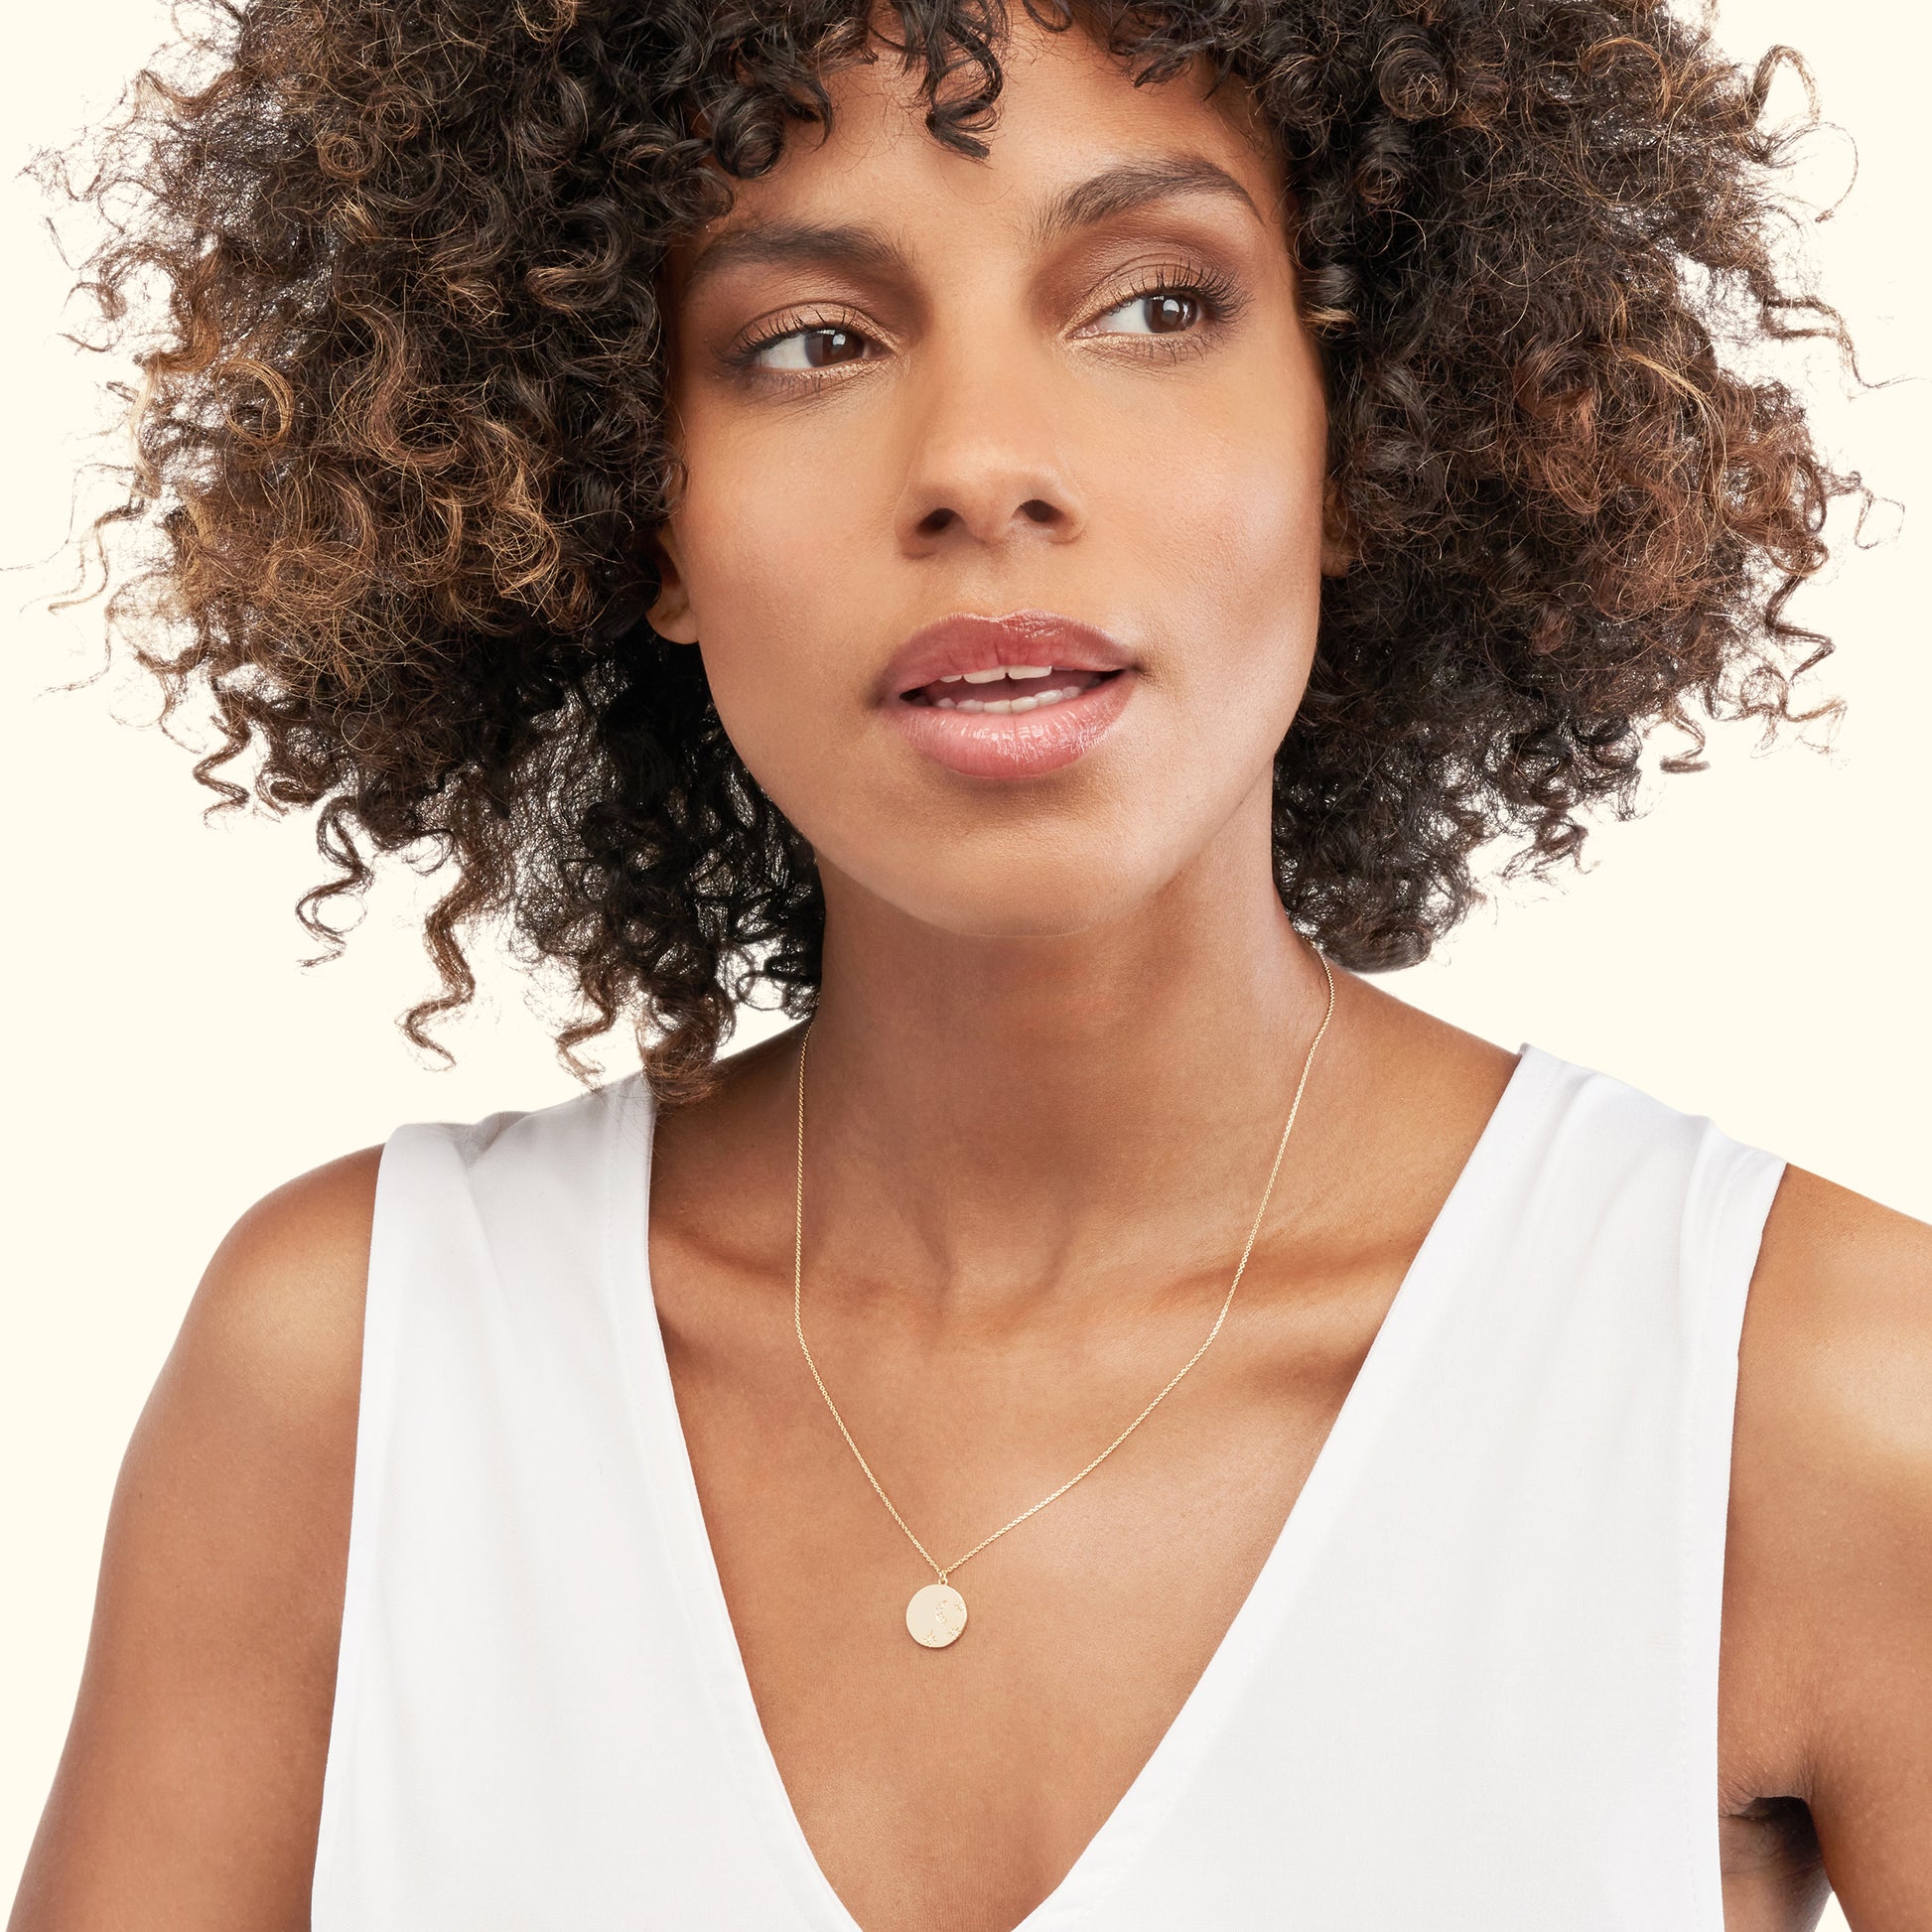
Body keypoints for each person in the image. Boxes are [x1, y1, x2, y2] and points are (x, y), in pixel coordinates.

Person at [10, 0, 1929, 1927]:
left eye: (1155, 303)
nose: (983, 465)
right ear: (635, 499)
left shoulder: (1807, 1393)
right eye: (810, 342)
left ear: (1362, 431)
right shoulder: (356, 1381)